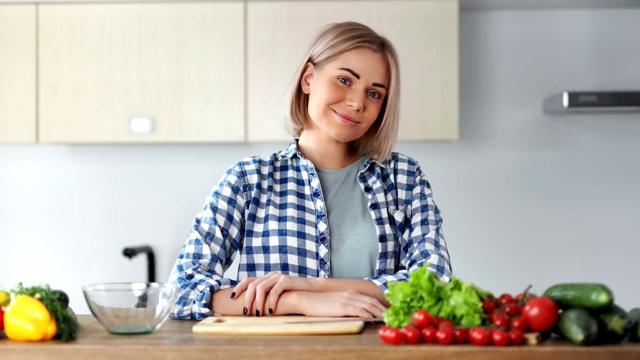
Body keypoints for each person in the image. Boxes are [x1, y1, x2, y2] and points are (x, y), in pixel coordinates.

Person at [168, 21, 452, 320]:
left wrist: (314, 286)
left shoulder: (403, 178)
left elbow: (436, 285)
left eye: (374, 93)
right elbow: (181, 292)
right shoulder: (248, 180)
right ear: (308, 78)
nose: (357, 102)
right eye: (345, 80)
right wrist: (299, 301)